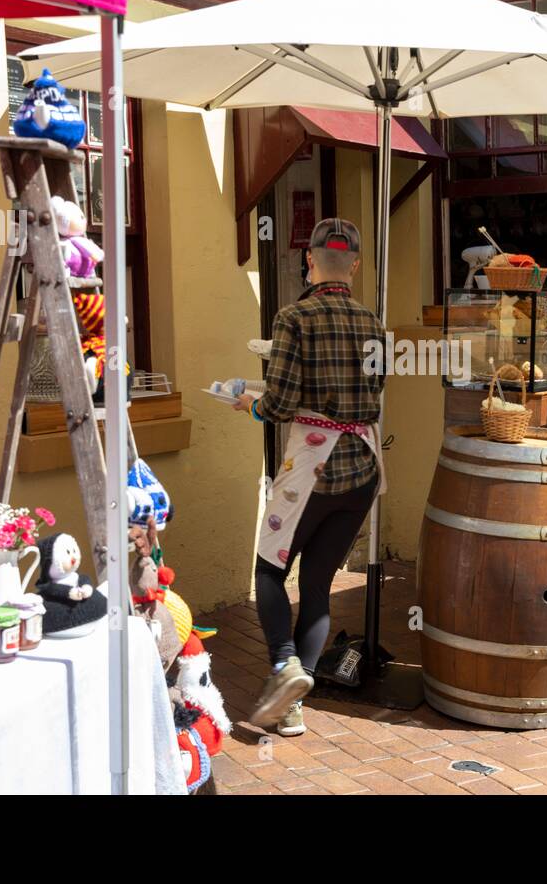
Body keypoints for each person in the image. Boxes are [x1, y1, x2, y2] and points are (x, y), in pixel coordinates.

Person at [233, 218, 385, 736]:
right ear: (356, 265)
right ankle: (294, 704)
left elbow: (278, 405)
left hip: (312, 473)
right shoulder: (373, 324)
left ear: (309, 260)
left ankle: (284, 666)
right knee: (318, 582)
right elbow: (373, 389)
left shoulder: (293, 316)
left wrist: (247, 404)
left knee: (269, 570)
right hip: (361, 469)